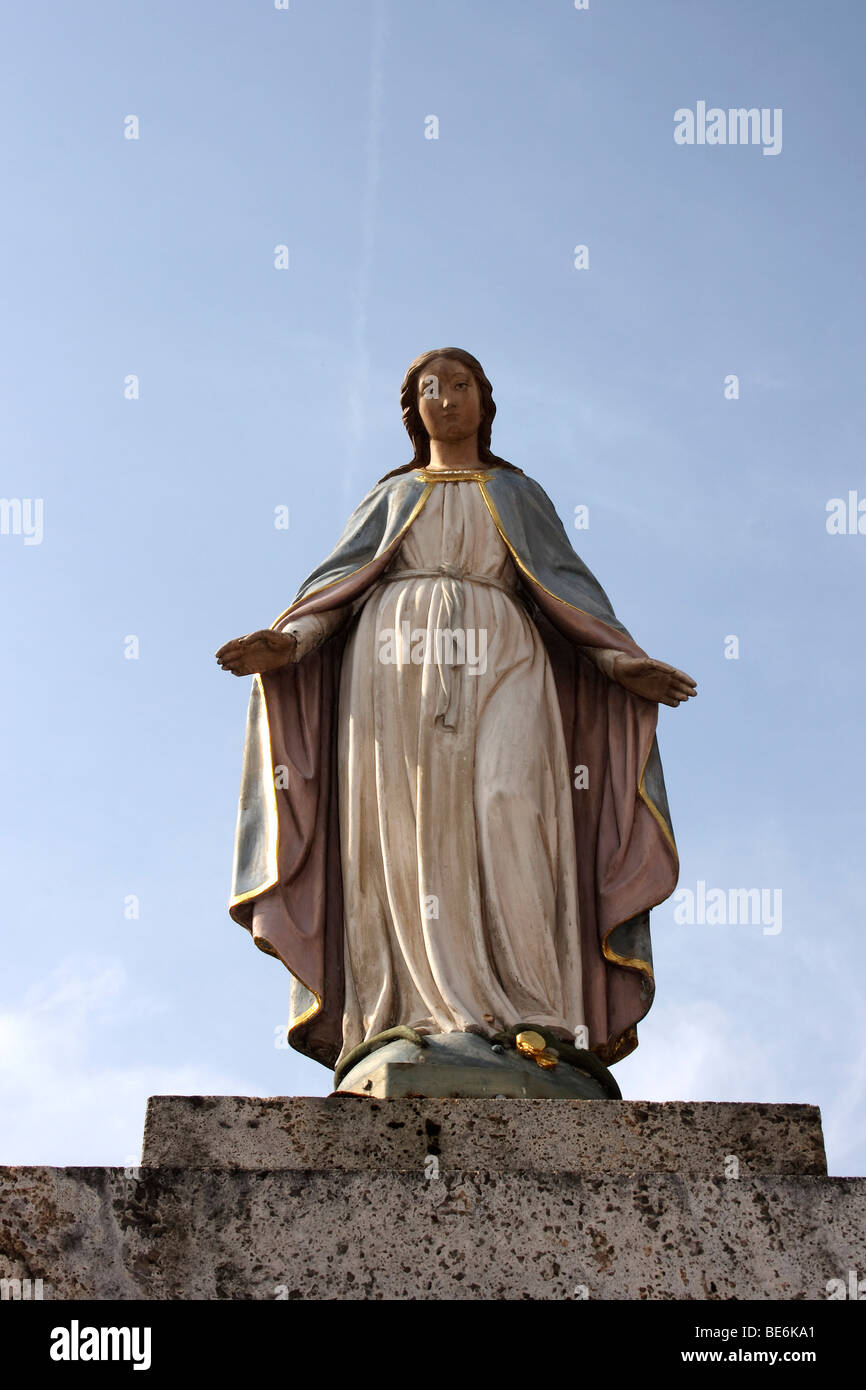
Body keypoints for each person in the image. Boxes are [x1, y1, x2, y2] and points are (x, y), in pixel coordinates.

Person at [217, 348, 696, 1074]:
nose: (446, 398)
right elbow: (337, 591)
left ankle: (535, 1017)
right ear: (414, 409)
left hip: (505, 657)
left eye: (460, 384)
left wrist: (617, 660)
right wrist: (285, 645)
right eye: (429, 388)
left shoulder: (517, 495)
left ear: (484, 399)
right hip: (391, 671)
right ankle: (407, 1015)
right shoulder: (391, 497)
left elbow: (566, 594)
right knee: (406, 833)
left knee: (513, 805)